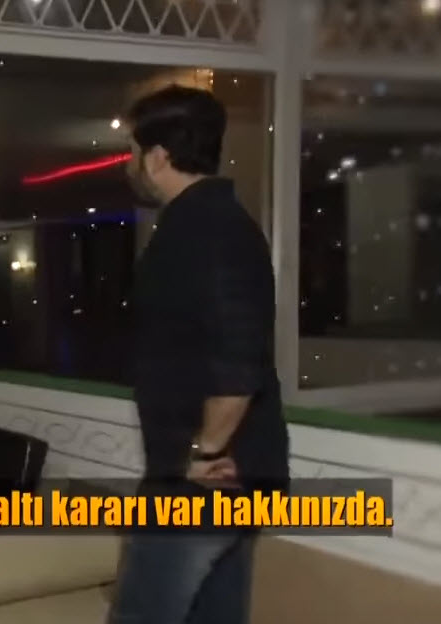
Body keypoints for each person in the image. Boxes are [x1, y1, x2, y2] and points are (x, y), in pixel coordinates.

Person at [109, 85, 289, 624]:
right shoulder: (211, 223)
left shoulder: (206, 230)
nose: (131, 165)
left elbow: (238, 364)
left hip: (203, 484)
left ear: (158, 157)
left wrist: (205, 454)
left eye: (134, 152)